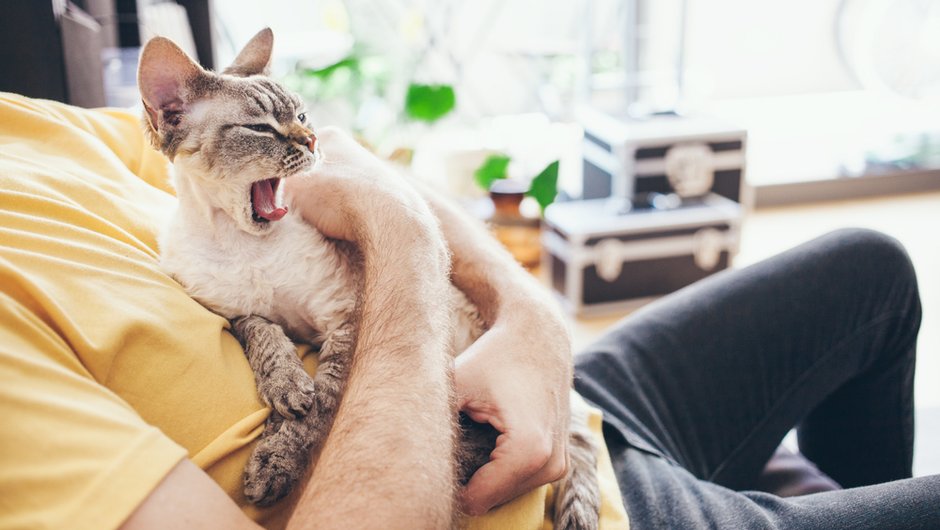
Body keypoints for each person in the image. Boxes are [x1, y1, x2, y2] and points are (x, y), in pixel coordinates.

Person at [0, 95, 936, 529]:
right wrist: (404, 246)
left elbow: (351, 160)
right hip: (546, 503)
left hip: (551, 399)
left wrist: (525, 314)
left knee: (874, 270)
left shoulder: (44, 132)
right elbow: (380, 209)